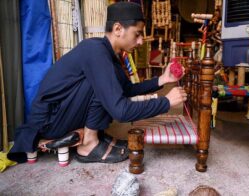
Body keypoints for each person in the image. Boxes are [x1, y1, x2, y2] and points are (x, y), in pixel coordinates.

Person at [8, 2, 187, 164]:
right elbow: (121, 111)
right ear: (118, 29)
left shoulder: (109, 54)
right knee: (103, 87)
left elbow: (127, 89)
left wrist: (162, 80)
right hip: (49, 122)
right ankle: (88, 144)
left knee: (109, 87)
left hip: (61, 114)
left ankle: (94, 137)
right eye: (137, 34)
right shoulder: (95, 51)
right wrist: (166, 102)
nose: (141, 41)